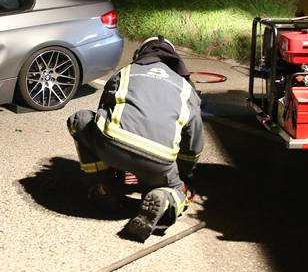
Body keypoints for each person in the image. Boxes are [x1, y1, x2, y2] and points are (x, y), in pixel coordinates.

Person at [66, 36, 204, 242]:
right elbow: (193, 143)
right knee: (178, 189)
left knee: (81, 120)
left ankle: (103, 187)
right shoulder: (186, 88)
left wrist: (119, 162)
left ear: (141, 54)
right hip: (159, 161)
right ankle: (166, 197)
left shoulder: (127, 72)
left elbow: (104, 111)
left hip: (111, 147)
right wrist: (181, 175)